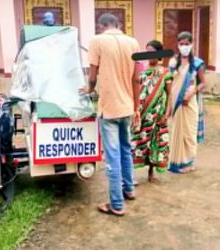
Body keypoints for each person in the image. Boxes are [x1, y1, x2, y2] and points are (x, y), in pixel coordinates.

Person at [80, 13, 141, 216]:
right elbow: (136, 79)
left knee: (112, 156)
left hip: (110, 109)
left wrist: (89, 89)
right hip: (127, 107)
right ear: (118, 25)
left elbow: (93, 74)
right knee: (125, 150)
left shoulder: (97, 41)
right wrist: (137, 107)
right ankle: (129, 190)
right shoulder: (133, 43)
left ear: (101, 25)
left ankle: (116, 204)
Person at [131, 40, 172, 182]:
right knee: (138, 141)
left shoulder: (165, 72)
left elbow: (169, 94)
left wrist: (167, 114)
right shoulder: (141, 71)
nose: (149, 55)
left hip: (157, 114)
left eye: (152, 52)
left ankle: (151, 172)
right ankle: (131, 176)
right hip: (142, 114)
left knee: (155, 141)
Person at [167, 31, 206, 174]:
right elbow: (170, 83)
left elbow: (203, 83)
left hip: (190, 103)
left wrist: (192, 92)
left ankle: (188, 163)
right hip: (176, 102)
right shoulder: (173, 62)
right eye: (181, 44)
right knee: (177, 132)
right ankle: (176, 163)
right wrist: (169, 105)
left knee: (189, 133)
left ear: (192, 44)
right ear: (177, 45)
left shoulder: (197, 63)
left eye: (187, 44)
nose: (184, 46)